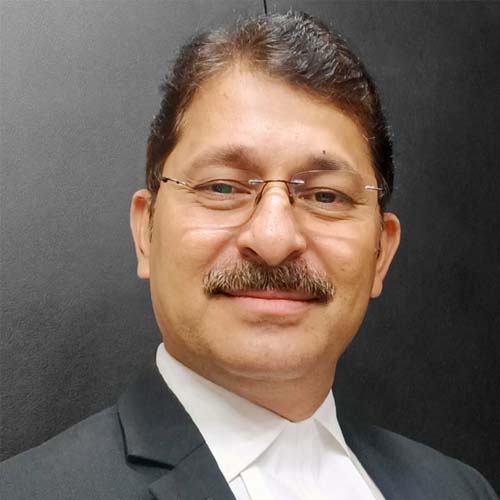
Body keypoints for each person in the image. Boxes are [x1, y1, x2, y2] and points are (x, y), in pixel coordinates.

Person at [0, 10, 497, 500]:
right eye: (222, 186)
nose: (274, 239)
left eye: (326, 196)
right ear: (145, 233)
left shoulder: (460, 490)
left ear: (381, 253)